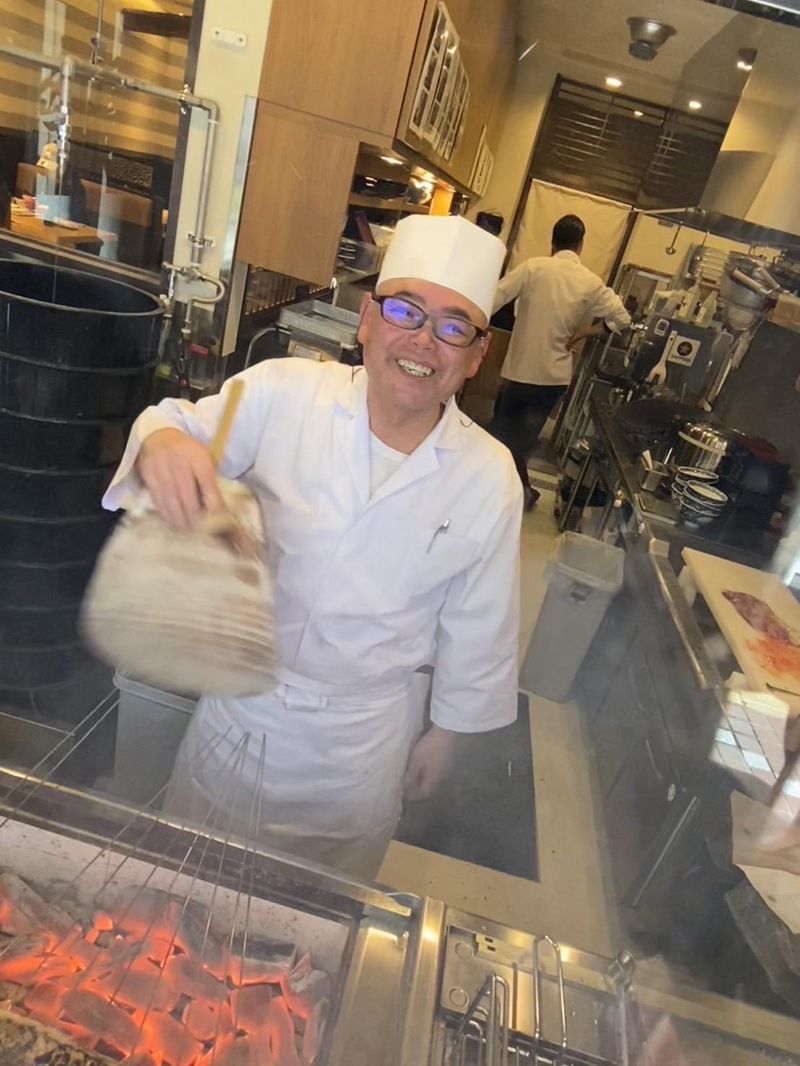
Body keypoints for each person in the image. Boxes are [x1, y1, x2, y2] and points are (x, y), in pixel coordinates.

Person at [103, 215, 522, 881]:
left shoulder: (488, 475)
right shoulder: (283, 392)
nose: (423, 340)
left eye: (453, 327)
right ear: (367, 319)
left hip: (360, 745)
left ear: (476, 355)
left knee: (318, 913)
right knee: (188, 887)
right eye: (405, 310)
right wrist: (165, 442)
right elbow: (177, 424)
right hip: (241, 701)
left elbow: (480, 623)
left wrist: (446, 734)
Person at [488, 214, 631, 508]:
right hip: (554, 378)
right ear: (580, 245)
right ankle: (519, 491)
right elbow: (622, 318)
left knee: (503, 436)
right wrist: (585, 333)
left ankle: (515, 493)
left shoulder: (533, 268)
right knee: (522, 439)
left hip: (520, 371)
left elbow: (494, 298)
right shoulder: (590, 282)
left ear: (552, 242)